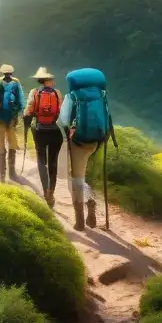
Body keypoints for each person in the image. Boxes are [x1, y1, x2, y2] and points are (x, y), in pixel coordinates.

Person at [59, 67, 111, 231]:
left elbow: (62, 121)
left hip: (78, 143)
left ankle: (80, 218)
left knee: (75, 178)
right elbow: (108, 117)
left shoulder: (72, 96)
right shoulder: (101, 96)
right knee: (86, 177)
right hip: (96, 141)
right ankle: (90, 201)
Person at [23, 66, 64, 208]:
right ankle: (51, 192)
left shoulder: (34, 93)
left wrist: (27, 124)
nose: (53, 81)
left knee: (42, 161)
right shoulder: (57, 94)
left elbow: (28, 111)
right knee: (53, 163)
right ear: (47, 80)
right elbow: (61, 112)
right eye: (51, 79)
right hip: (55, 131)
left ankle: (45, 191)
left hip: (40, 130)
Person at [0, 64, 24, 182]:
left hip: (0, 116)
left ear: (3, 73)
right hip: (12, 117)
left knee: (1, 142)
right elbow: (21, 99)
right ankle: (12, 172)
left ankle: (2, 174)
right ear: (11, 73)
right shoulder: (16, 82)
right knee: (12, 141)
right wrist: (19, 112)